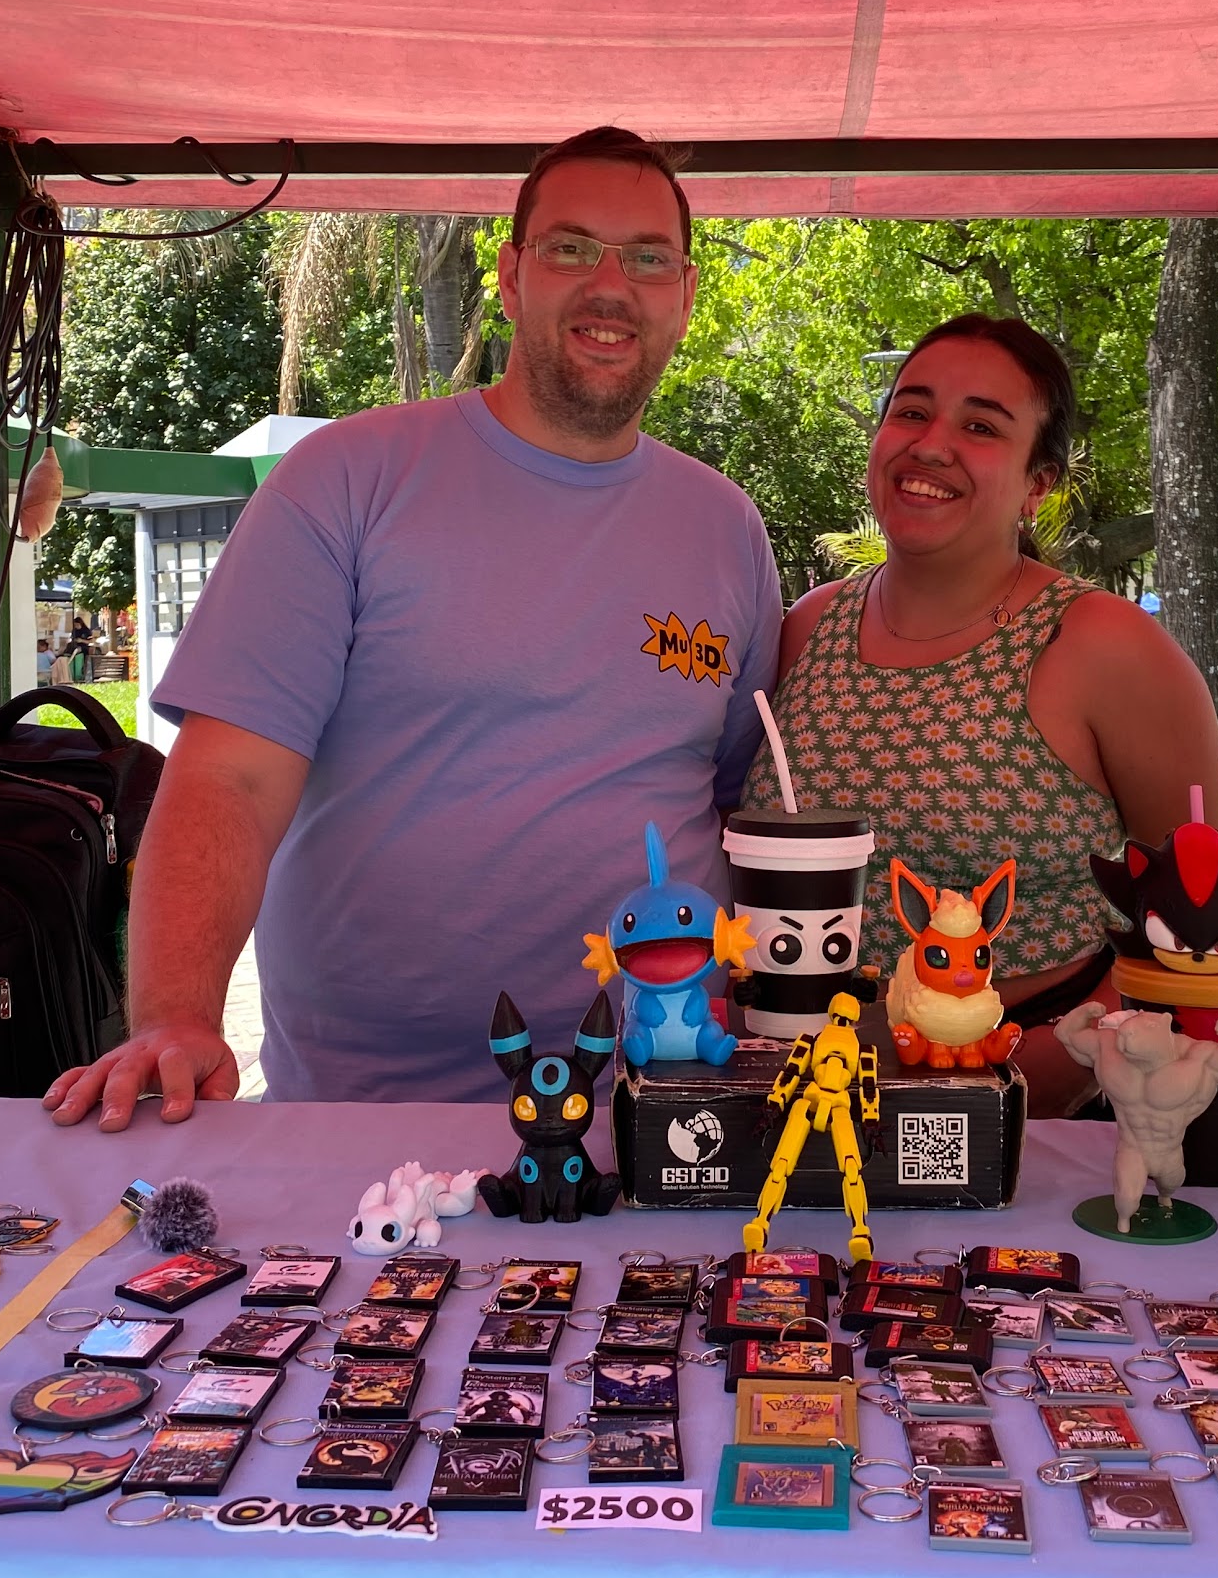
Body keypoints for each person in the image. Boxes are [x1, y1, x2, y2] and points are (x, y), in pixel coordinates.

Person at [46, 127, 780, 1128]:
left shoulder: (726, 528)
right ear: (510, 276)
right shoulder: (347, 481)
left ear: (685, 295)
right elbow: (230, 779)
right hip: (365, 1125)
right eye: (572, 248)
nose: (611, 286)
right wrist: (175, 1018)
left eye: (648, 259)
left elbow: (732, 797)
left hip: (663, 1111)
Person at [742, 313, 1218, 1117]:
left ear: (1039, 484)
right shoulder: (809, 625)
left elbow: (1200, 906)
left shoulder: (1103, 643)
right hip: (810, 1095)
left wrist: (1060, 1066)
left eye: (981, 426)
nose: (932, 444)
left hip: (1040, 1104)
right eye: (911, 410)